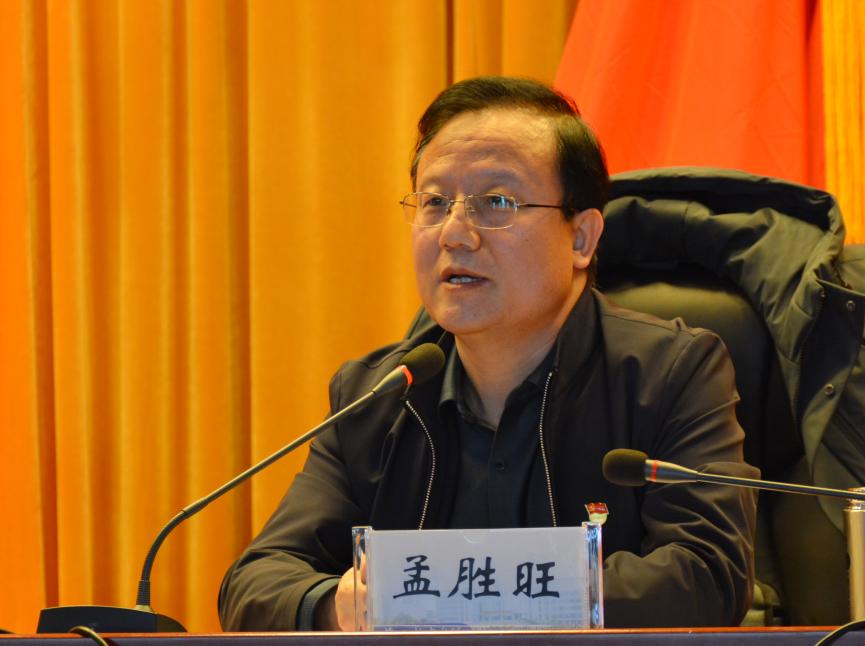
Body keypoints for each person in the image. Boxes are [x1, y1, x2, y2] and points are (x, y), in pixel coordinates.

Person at [218, 76, 757, 631]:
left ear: (581, 238)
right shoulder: (376, 394)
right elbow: (256, 583)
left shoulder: (671, 373)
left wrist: (450, 599)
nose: (454, 233)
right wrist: (336, 605)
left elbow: (708, 574)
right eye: (435, 202)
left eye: (496, 202)